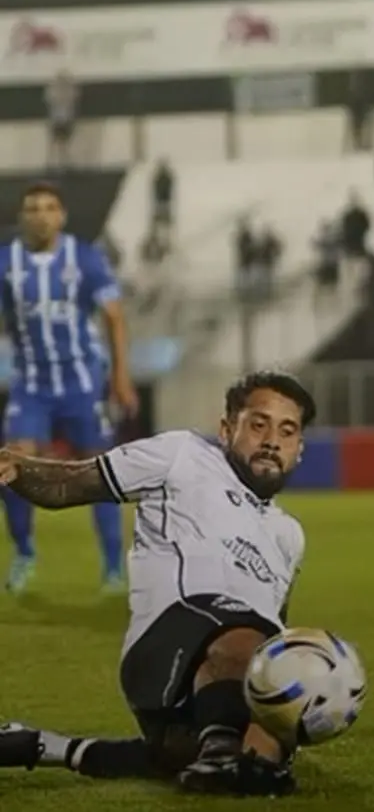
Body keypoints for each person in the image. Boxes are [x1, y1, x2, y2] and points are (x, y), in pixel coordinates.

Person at [0, 370, 314, 797]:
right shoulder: (183, 455)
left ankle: (45, 745)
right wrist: (17, 466)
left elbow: (276, 632)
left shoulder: (289, 535)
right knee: (246, 640)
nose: (272, 441)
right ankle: (224, 751)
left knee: (248, 733)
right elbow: (69, 484)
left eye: (287, 431)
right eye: (259, 425)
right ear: (226, 430)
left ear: (299, 449)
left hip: (224, 674)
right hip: (167, 646)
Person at [0, 182, 139, 594]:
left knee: (98, 472)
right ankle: (25, 552)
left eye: (49, 208)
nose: (41, 215)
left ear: (61, 215)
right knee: (12, 465)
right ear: (22, 217)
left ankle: (112, 568)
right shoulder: (6, 262)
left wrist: (120, 376)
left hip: (82, 384)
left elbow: (113, 315)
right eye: (33, 208)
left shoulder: (85, 258)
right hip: (31, 385)